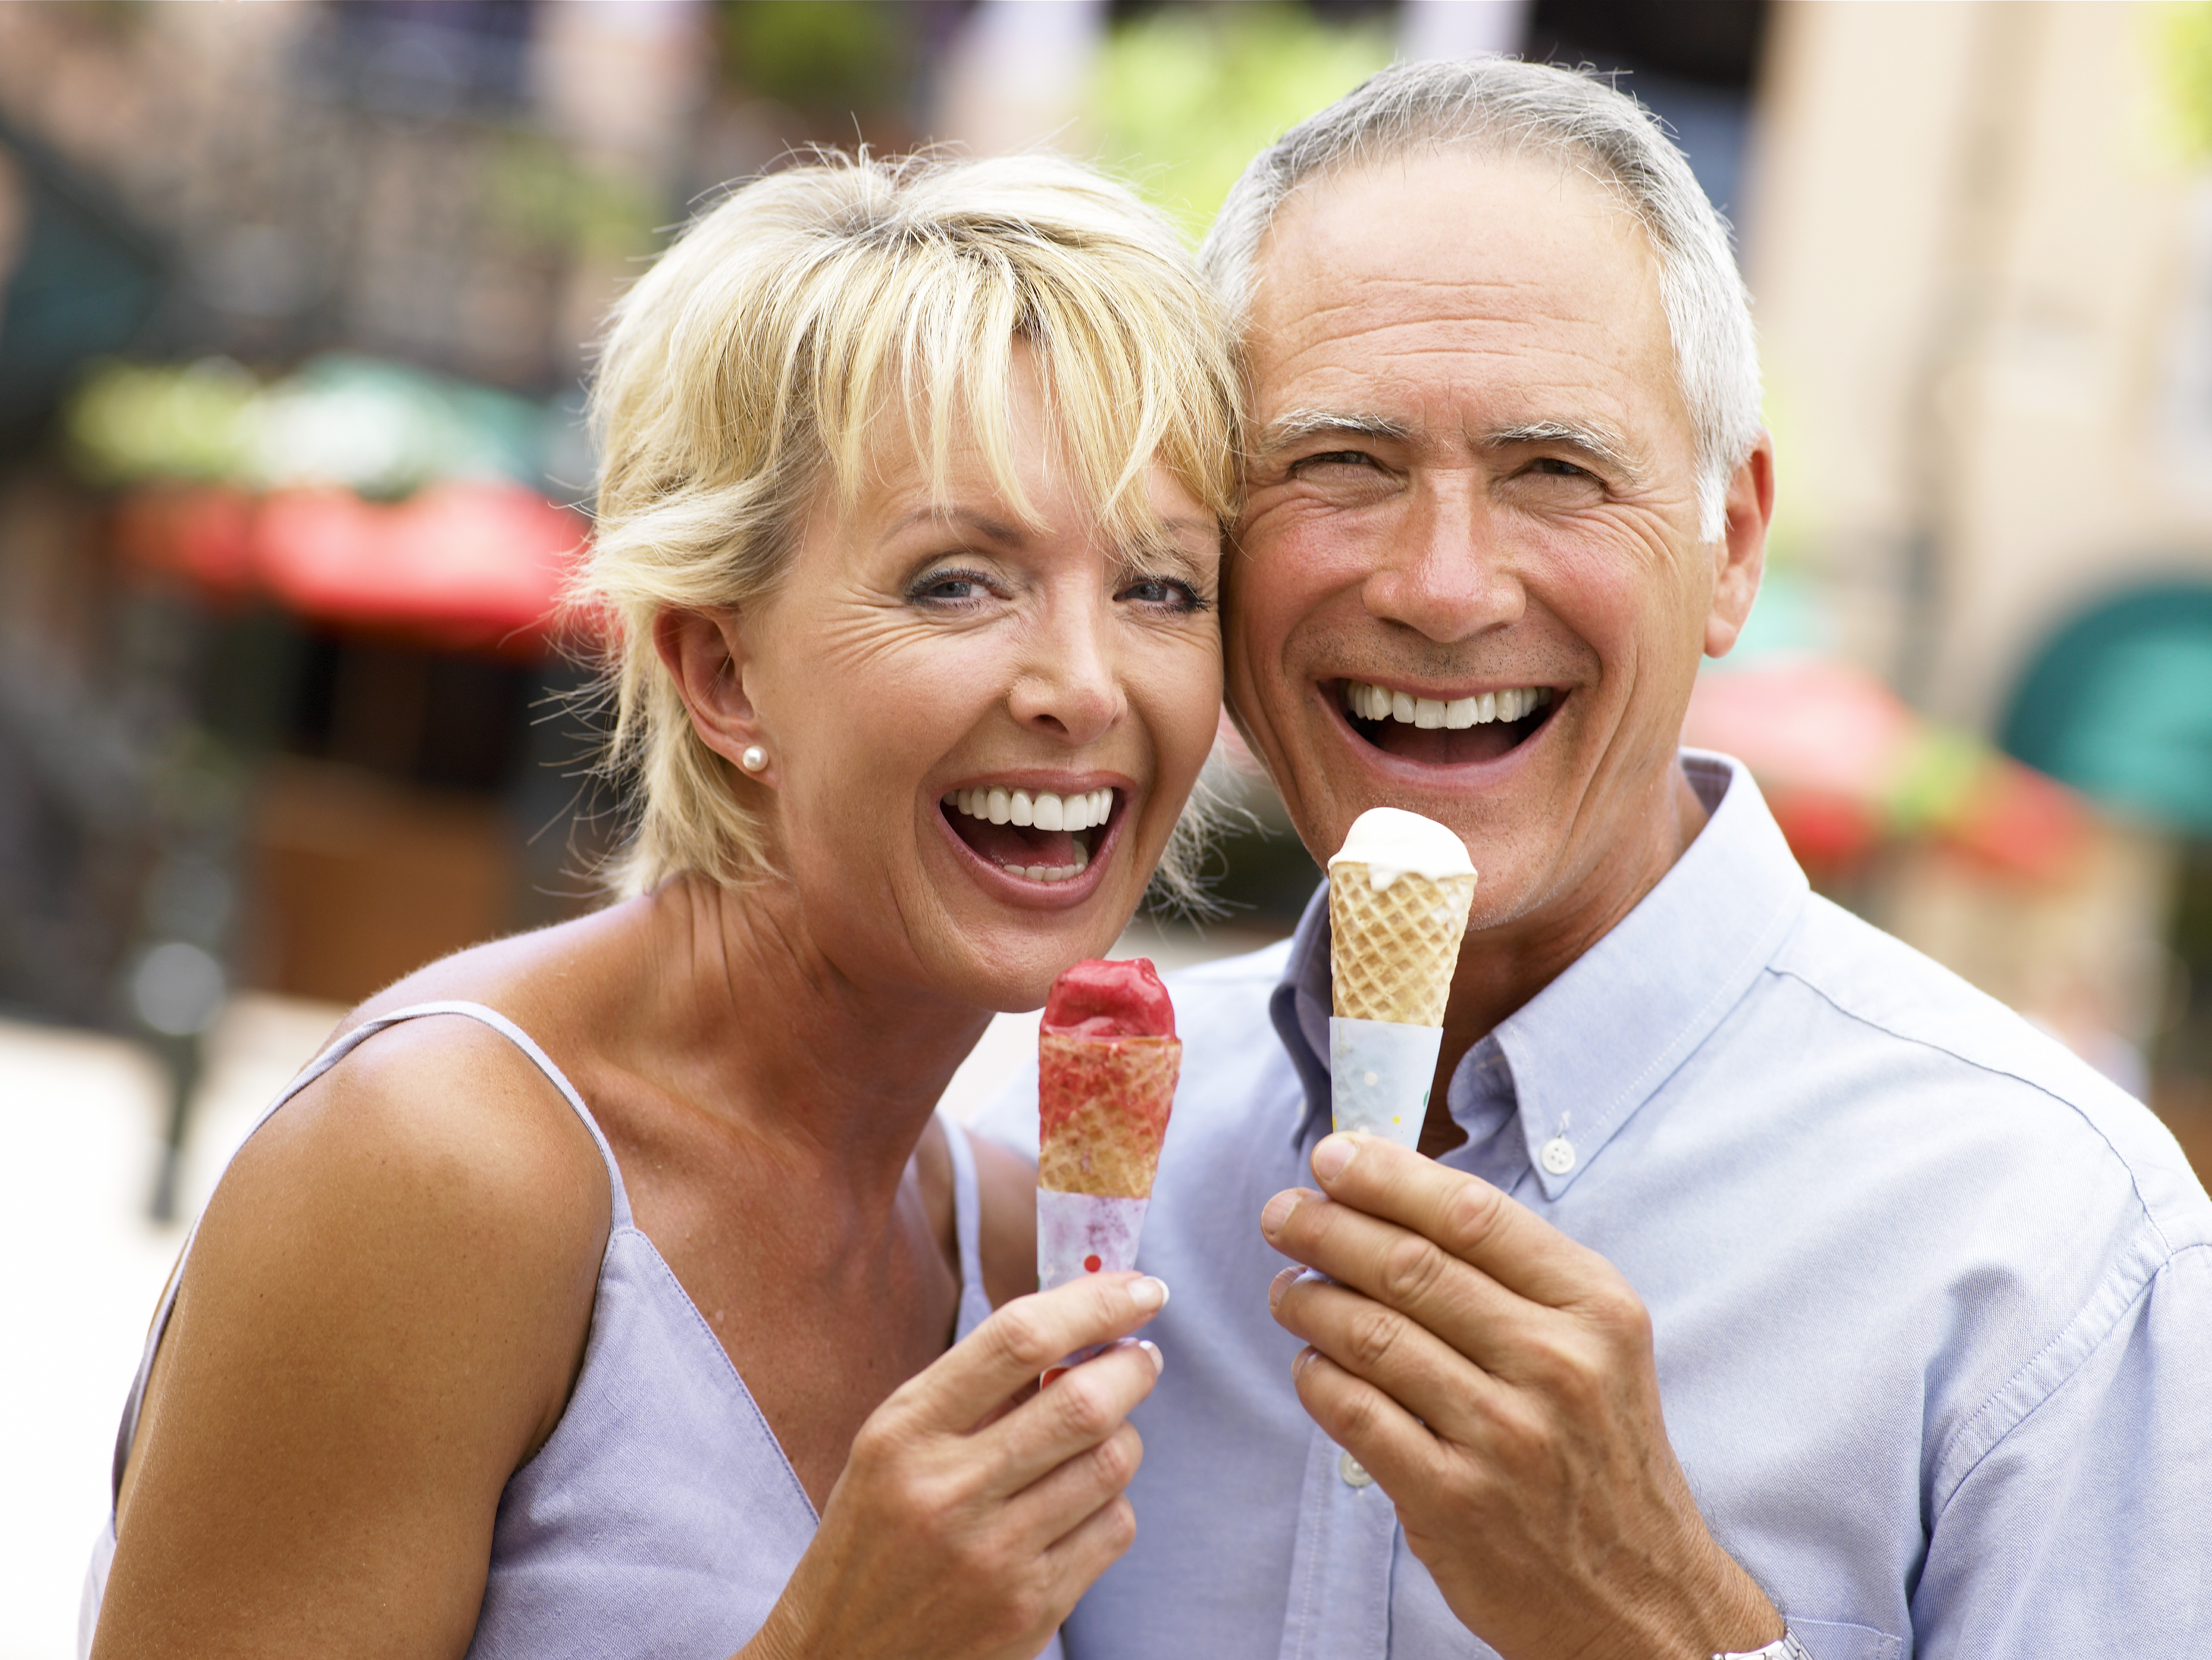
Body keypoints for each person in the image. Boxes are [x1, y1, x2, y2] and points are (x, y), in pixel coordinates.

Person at [977, 59, 2212, 1658]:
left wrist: (1668, 1625)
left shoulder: (2056, 1249)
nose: (1438, 585)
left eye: (1555, 471)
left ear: (1733, 547)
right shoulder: (1031, 1154)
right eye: (1339, 463)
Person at [83, 151, 1241, 1660]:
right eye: (958, 583)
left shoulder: (1016, 1243)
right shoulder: (443, 1167)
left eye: (1160, 588)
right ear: (720, 668)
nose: (1086, 685)